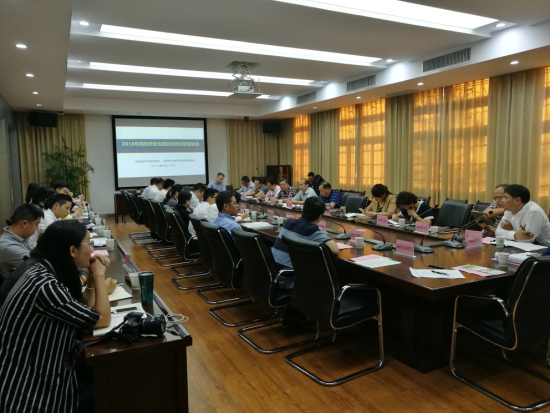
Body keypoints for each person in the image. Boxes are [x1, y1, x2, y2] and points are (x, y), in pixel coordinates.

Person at [0, 220, 111, 413]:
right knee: (113, 386)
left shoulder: (42, 269)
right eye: (88, 243)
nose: (92, 250)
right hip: (29, 391)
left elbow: (84, 307)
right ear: (72, 250)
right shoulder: (45, 286)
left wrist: (93, 277)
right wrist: (100, 276)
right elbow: (102, 319)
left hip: (38, 369)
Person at [271, 197, 339, 289]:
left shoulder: (288, 222)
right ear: (319, 217)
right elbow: (335, 250)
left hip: (272, 275)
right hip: (288, 279)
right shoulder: (311, 230)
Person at [0, 204, 44, 281]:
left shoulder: (24, 236)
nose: (37, 228)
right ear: (24, 224)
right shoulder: (7, 246)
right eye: (36, 224)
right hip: (20, 286)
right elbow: (39, 267)